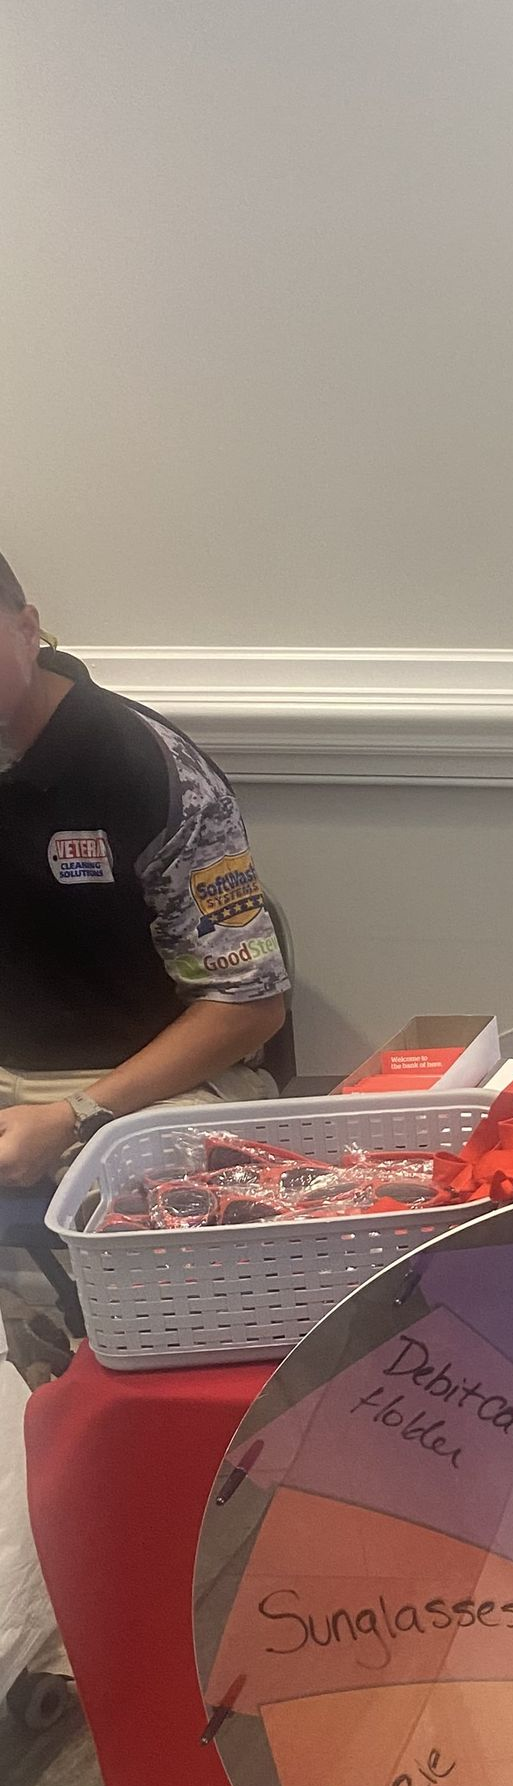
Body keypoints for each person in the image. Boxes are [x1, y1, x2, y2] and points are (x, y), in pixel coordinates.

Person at [0, 551, 290, 1382]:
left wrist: (76, 1114)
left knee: (171, 1237)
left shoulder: (145, 765)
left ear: (28, 628)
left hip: (147, 1076)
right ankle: (49, 1391)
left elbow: (248, 1003)